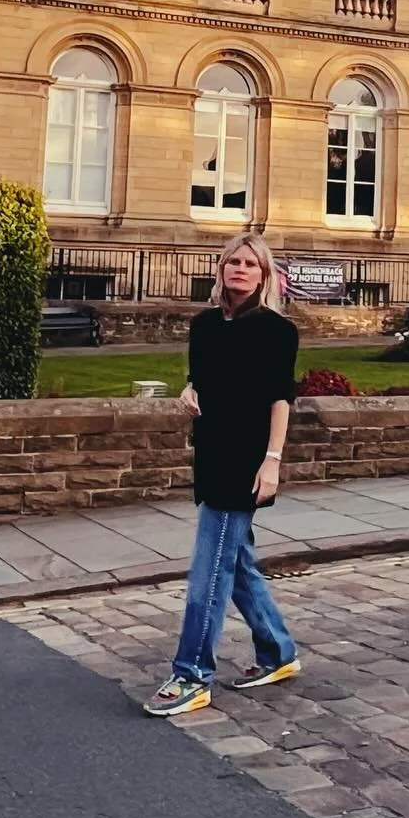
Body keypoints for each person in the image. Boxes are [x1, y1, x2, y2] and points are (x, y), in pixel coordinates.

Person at [145, 232, 301, 716]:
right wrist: (188, 389)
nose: (240, 268)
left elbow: (280, 398)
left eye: (250, 263)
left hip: (247, 461)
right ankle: (277, 651)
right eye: (233, 260)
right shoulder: (205, 324)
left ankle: (192, 674)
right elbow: (201, 377)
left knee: (209, 572)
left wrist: (272, 460)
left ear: (264, 274)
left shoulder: (276, 330)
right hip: (211, 453)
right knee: (235, 564)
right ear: (221, 268)